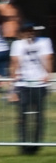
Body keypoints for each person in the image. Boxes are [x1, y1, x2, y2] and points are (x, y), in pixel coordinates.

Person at [10, 23, 52, 155]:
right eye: (27, 31)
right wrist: (14, 82)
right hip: (23, 84)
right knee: (22, 116)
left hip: (39, 83)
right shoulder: (17, 44)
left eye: (32, 31)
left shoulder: (44, 41)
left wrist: (48, 73)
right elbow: (14, 62)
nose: (30, 33)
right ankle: (23, 145)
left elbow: (48, 58)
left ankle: (36, 145)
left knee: (39, 116)